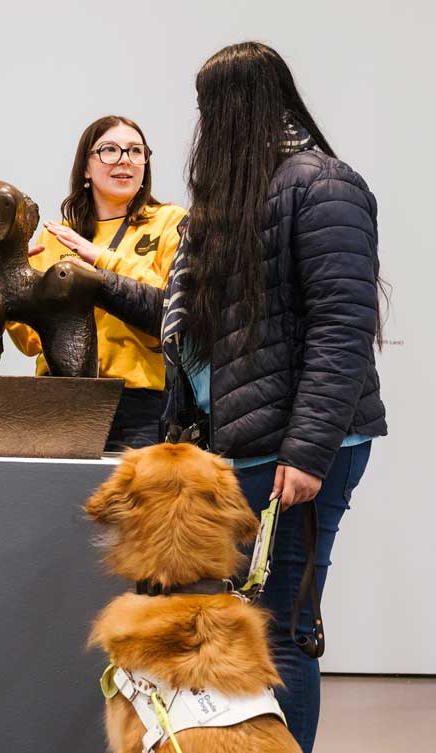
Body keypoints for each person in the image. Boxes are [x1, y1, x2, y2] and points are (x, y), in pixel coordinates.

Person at [86, 43, 387, 752]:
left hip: (301, 449)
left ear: (237, 106)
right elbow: (194, 323)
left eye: (209, 107)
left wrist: (307, 450)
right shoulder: (238, 195)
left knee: (282, 625)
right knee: (251, 625)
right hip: (246, 443)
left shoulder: (323, 185)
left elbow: (342, 329)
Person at [7, 115, 185, 451]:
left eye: (136, 151)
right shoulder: (57, 235)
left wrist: (99, 257)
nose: (124, 160)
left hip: (139, 404)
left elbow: (168, 305)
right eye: (109, 150)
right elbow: (31, 341)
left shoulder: (169, 222)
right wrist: (11, 279)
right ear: (86, 167)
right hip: (60, 399)